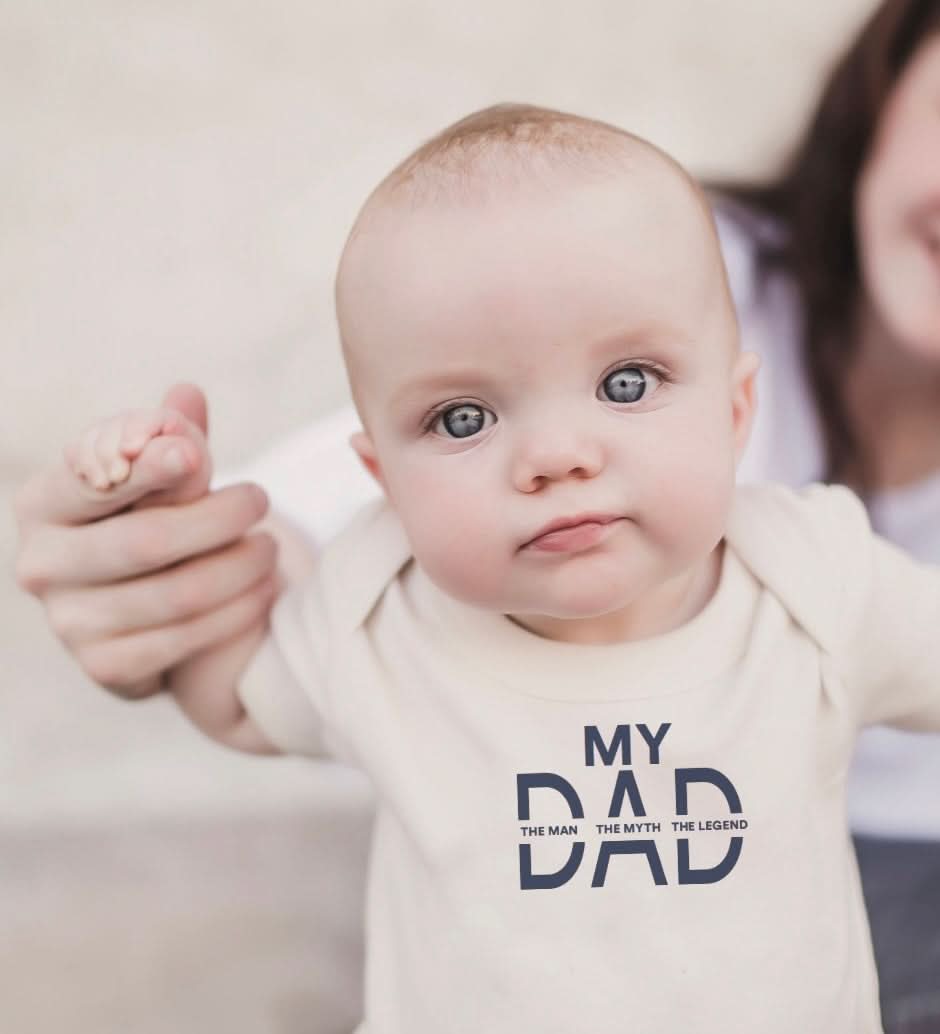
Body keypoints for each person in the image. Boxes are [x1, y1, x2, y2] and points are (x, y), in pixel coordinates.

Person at [11, 1, 940, 1029]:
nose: (555, 455)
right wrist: (163, 525)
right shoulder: (381, 615)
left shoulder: (816, 577)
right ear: (385, 479)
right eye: (463, 418)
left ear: (734, 410)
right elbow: (237, 694)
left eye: (626, 384)